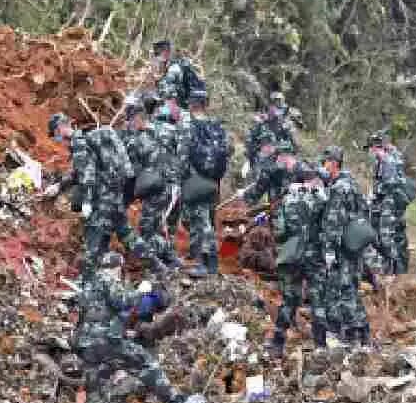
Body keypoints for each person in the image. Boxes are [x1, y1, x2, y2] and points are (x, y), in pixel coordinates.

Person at [73, 251, 203, 403]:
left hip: (86, 345)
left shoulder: (88, 284)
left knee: (95, 391)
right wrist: (141, 291)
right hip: (105, 341)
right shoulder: (108, 279)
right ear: (117, 267)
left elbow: (92, 313)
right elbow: (122, 301)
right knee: (146, 363)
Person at [50, 111, 141, 284]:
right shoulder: (87, 138)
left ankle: (87, 281)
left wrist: (86, 202)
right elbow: (79, 172)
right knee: (126, 234)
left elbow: (87, 176)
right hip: (115, 195)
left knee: (93, 238)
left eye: (55, 134)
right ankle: (160, 266)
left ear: (61, 128)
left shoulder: (78, 143)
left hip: (101, 199)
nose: (56, 139)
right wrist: (59, 185)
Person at [319, 146, 381, 347]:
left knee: (342, 290)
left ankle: (345, 333)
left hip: (342, 248)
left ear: (333, 164)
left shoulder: (338, 188)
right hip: (355, 246)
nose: (323, 165)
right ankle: (361, 334)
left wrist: (328, 250)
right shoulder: (352, 184)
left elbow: (333, 222)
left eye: (326, 162)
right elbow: (364, 212)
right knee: (351, 289)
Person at [269, 164, 326, 353]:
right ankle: (320, 345)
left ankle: (278, 342)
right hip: (314, 255)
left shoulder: (287, 200)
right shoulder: (321, 198)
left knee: (289, 300)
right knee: (318, 299)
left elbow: (279, 231)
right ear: (312, 180)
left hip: (292, 255)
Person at [124, 99, 181, 272]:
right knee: (155, 227)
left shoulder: (135, 142)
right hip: (174, 188)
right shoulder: (168, 130)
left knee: (147, 229)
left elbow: (130, 172)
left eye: (130, 120)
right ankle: (170, 261)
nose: (129, 124)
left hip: (157, 191)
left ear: (137, 118)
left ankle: (163, 266)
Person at [182, 88, 232, 277]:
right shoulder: (216, 126)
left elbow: (183, 152)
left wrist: (178, 178)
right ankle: (198, 257)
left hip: (195, 178)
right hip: (213, 180)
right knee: (205, 218)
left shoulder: (189, 125)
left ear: (192, 104)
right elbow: (228, 150)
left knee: (201, 221)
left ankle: (209, 264)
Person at [367, 131, 414, 275]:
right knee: (390, 237)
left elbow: (390, 184)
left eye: (371, 148)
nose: (370, 152)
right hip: (387, 204)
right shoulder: (386, 160)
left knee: (386, 238)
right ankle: (393, 269)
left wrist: (376, 193)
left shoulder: (388, 161)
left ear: (376, 148)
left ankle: (392, 271)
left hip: (389, 204)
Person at [244, 92, 296, 178]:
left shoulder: (285, 125)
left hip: (280, 154)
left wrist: (285, 148)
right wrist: (251, 149)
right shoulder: (261, 123)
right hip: (263, 155)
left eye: (280, 102)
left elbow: (291, 142)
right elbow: (251, 138)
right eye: (276, 102)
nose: (277, 116)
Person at [151, 39, 206, 109]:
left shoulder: (174, 68)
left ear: (166, 52)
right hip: (186, 101)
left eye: (158, 52)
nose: (156, 57)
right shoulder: (171, 65)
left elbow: (168, 90)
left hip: (183, 104)